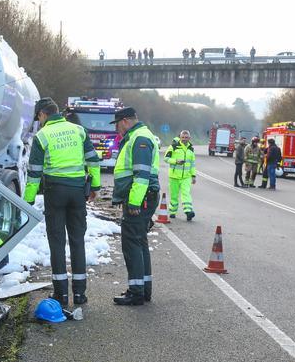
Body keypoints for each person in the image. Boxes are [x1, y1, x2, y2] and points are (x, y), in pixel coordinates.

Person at [23, 97, 101, 306]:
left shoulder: (42, 136)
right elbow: (93, 159)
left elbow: (34, 173)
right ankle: (79, 294)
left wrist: (28, 200)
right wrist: (94, 187)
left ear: (43, 115)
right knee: (77, 241)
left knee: (57, 243)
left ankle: (61, 295)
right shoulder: (78, 130)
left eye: (38, 118)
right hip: (77, 192)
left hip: (55, 192)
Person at [110, 107, 160, 306]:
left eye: (117, 125)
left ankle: (136, 292)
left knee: (132, 244)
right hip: (143, 197)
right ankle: (143, 289)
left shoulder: (139, 138)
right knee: (139, 243)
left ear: (124, 121)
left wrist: (133, 203)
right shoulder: (140, 136)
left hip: (140, 198)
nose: (117, 130)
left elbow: (142, 175)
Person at [164, 130, 197, 221]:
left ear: (189, 138)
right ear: (180, 137)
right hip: (174, 176)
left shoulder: (191, 149)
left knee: (186, 194)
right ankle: (172, 212)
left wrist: (193, 175)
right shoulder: (174, 146)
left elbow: (192, 164)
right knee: (174, 196)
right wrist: (176, 161)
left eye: (186, 138)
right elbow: (166, 158)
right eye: (183, 137)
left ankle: (188, 212)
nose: (184, 139)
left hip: (186, 177)